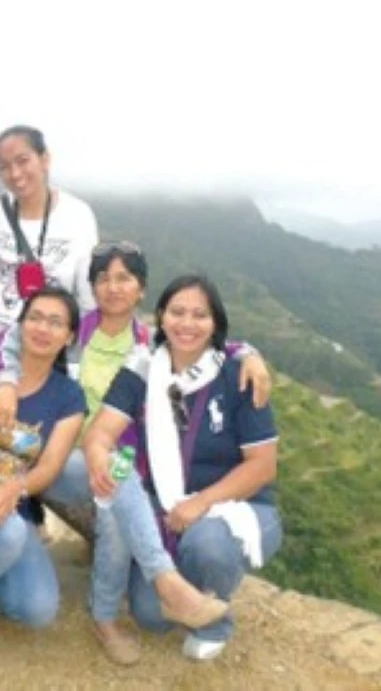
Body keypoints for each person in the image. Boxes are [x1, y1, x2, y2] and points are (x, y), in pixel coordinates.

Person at [0, 243, 273, 664]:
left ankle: (112, 613)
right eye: (103, 278)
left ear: (142, 289)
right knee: (118, 485)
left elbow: (202, 342)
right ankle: (147, 589)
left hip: (120, 466)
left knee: (118, 495)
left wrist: (248, 354)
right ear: (91, 286)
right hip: (56, 455)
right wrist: (8, 383)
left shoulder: (147, 345)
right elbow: (11, 339)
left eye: (124, 278)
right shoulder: (73, 329)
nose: (113, 287)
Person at [0, 287, 224, 671]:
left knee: (36, 609)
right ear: (20, 325)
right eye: (35, 318)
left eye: (56, 322)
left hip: (9, 507)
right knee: (7, 534)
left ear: (69, 336)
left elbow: (49, 467)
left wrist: (14, 488)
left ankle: (159, 579)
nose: (43, 328)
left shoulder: (67, 396)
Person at [82, 275, 283, 663]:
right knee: (150, 617)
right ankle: (173, 585)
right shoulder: (143, 370)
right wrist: (97, 456)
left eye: (200, 315)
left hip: (236, 505)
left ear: (215, 323)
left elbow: (262, 467)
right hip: (166, 511)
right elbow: (101, 434)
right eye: (177, 312)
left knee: (207, 545)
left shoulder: (239, 375)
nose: (187, 324)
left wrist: (201, 503)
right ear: (161, 316)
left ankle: (213, 624)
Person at [0, 125, 98, 360]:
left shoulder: (77, 216)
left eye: (23, 161)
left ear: (45, 159)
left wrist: (80, 353)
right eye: (4, 167)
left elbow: (87, 294)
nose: (15, 174)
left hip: (46, 350)